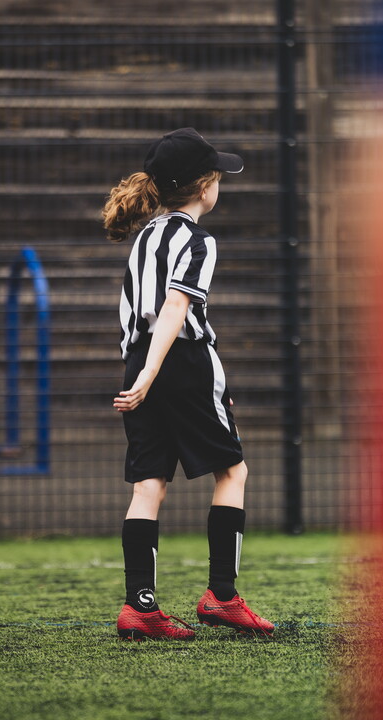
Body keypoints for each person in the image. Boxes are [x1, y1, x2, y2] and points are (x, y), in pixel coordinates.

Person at [102, 128, 274, 641]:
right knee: (233, 471)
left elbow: (141, 315)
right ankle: (222, 596)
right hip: (182, 362)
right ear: (204, 188)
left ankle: (140, 607)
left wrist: (142, 374)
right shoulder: (199, 240)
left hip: (136, 359)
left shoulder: (144, 237)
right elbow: (176, 308)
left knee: (149, 483)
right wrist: (167, 375)